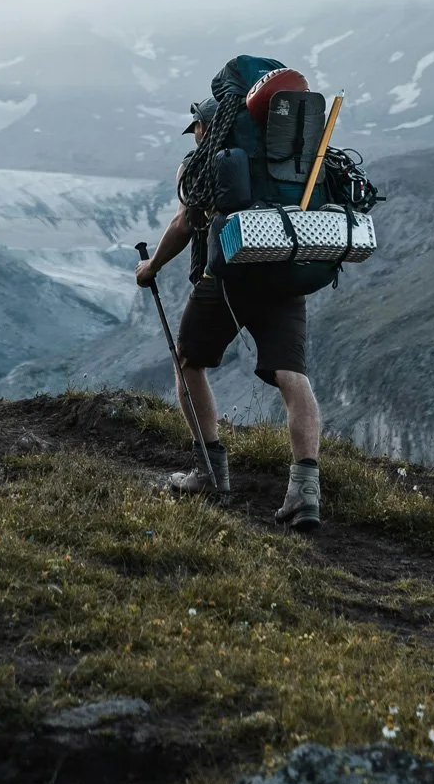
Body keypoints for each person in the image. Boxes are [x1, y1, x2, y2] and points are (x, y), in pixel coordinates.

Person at [134, 97, 323, 530]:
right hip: (286, 272)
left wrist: (152, 267)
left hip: (230, 276)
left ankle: (211, 472)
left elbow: (184, 224)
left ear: (205, 126)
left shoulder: (207, 162)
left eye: (196, 128)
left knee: (188, 360)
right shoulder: (288, 163)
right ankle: (305, 495)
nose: (195, 136)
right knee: (292, 376)